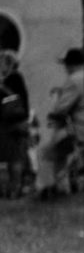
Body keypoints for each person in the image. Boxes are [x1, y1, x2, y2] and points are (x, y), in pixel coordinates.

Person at [38, 48, 84, 197]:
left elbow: (61, 109)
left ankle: (49, 187)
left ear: (70, 64)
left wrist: (53, 112)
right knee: (61, 153)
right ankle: (61, 186)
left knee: (47, 153)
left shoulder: (74, 80)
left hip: (79, 129)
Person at [0, 49, 30, 198]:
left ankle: (14, 189)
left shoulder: (11, 79)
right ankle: (14, 189)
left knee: (14, 159)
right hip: (19, 122)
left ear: (9, 63)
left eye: (1, 62)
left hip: (10, 124)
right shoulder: (18, 79)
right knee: (15, 158)